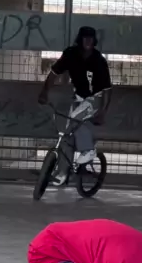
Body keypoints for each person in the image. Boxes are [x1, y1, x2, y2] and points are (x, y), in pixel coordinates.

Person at [38, 26, 112, 184]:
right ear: (80, 39)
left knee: (74, 118)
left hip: (95, 98)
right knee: (66, 133)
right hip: (79, 97)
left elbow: (107, 89)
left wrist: (103, 112)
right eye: (85, 38)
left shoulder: (99, 61)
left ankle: (88, 150)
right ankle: (62, 173)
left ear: (94, 40)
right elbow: (53, 74)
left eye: (91, 38)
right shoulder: (70, 54)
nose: (88, 41)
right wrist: (45, 91)